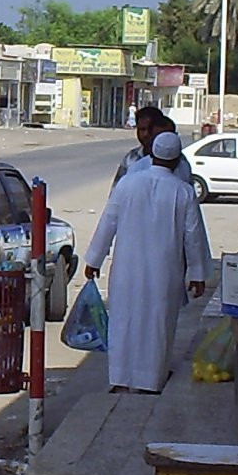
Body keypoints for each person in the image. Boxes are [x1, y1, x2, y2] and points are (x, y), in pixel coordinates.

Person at [83, 131, 211, 394]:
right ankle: (150, 381)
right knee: (158, 324)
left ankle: (121, 378)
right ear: (177, 160)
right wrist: (197, 274)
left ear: (152, 154)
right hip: (165, 273)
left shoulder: (127, 184)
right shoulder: (183, 191)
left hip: (126, 270)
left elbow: (108, 222)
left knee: (123, 321)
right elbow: (193, 237)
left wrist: (94, 259)